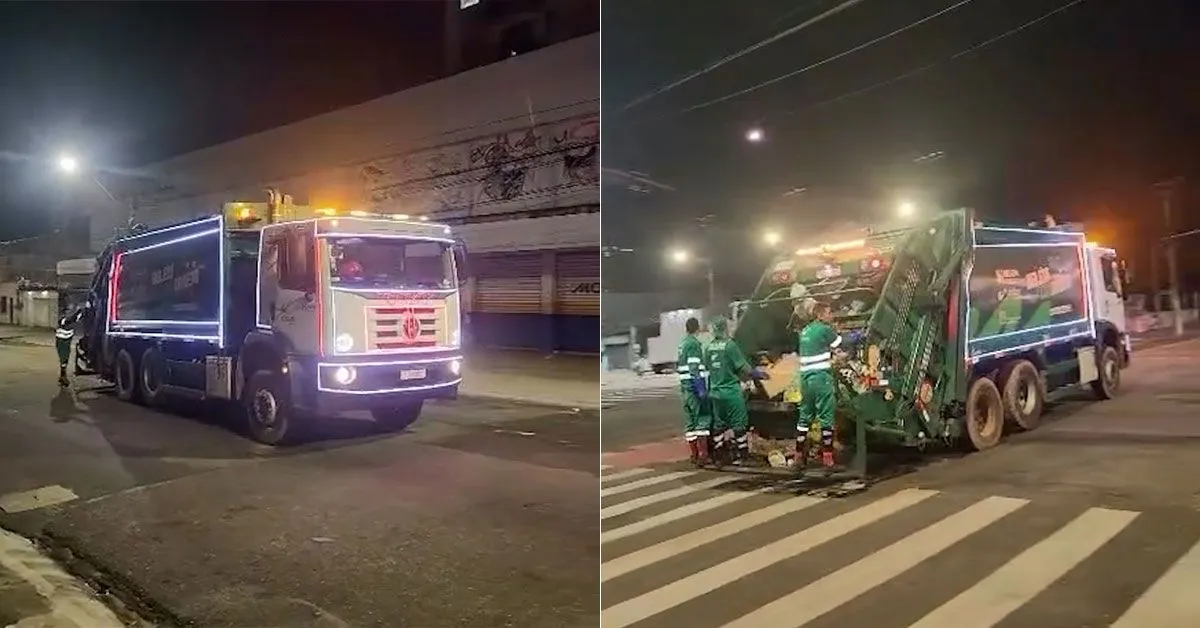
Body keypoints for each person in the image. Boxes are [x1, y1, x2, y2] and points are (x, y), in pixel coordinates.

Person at [703, 316, 768, 465]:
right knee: (739, 424)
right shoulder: (730, 345)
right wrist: (759, 374)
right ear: (725, 328)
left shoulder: (708, 347)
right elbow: (742, 367)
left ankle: (719, 456)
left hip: (715, 392)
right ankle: (743, 456)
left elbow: (708, 367)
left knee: (719, 425)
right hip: (731, 392)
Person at [795, 302, 844, 468]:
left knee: (805, 416)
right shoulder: (824, 328)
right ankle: (828, 458)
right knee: (826, 416)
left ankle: (798, 456)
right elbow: (840, 344)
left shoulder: (805, 331)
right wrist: (858, 337)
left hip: (805, 380)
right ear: (820, 315)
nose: (831, 316)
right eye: (829, 313)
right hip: (821, 379)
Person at [676, 317, 711, 467]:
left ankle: (694, 454)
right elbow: (694, 368)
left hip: (684, 387)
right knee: (702, 419)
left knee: (690, 422)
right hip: (692, 387)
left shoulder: (682, 344)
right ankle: (703, 455)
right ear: (697, 328)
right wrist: (701, 389)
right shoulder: (694, 344)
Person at [54, 308, 84, 387]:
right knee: (64, 359)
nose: (68, 314)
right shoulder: (62, 320)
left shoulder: (69, 320)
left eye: (69, 313)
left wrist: (81, 313)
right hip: (61, 342)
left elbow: (75, 319)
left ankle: (62, 377)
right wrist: (78, 312)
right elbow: (71, 320)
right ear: (64, 314)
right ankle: (63, 378)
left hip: (66, 342)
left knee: (65, 359)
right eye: (67, 313)